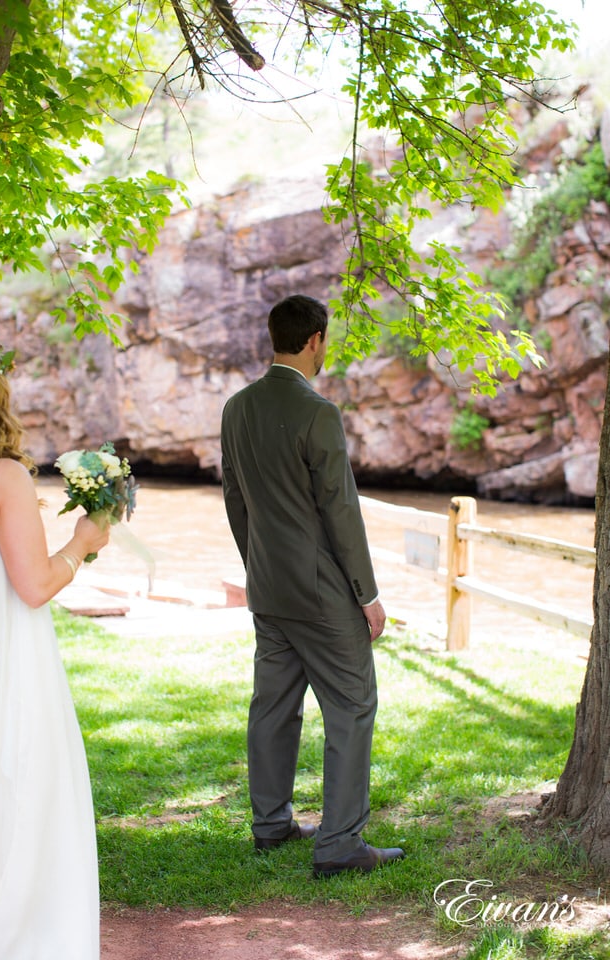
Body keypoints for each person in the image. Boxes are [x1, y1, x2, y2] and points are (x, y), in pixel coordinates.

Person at [220, 294, 404, 878]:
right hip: (323, 593)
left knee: (272, 707)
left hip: (268, 587)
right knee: (352, 704)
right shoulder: (318, 412)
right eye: (327, 341)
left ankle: (271, 827)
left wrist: (259, 563)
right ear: (315, 340)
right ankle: (340, 843)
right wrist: (368, 596)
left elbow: (234, 499)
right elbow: (340, 511)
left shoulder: (236, 408)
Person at [0, 341, 109, 959]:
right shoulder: (2, 477)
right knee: (18, 786)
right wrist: (83, 540)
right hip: (0, 667)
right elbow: (34, 586)